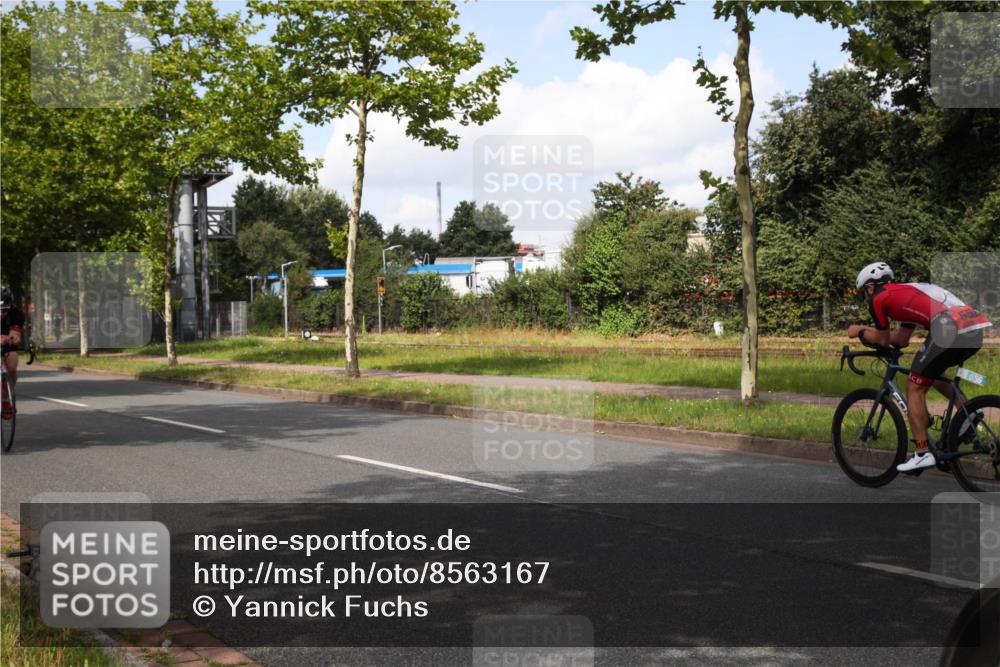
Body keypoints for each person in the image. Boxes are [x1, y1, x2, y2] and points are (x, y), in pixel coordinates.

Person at [848, 263, 992, 472]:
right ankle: (968, 417)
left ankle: (922, 453)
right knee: (931, 374)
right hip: (973, 328)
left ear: (870, 287)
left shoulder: (879, 297)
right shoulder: (905, 294)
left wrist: (859, 331)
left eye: (864, 293)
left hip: (949, 326)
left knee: (914, 386)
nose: (866, 298)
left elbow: (882, 339)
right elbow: (901, 339)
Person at [1, 287, 26, 419]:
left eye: (4, 310)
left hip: (6, 344)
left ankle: (6, 397)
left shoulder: (16, 313)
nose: (1, 314)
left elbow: (15, 333)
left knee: (12, 364)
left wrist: (14, 338)